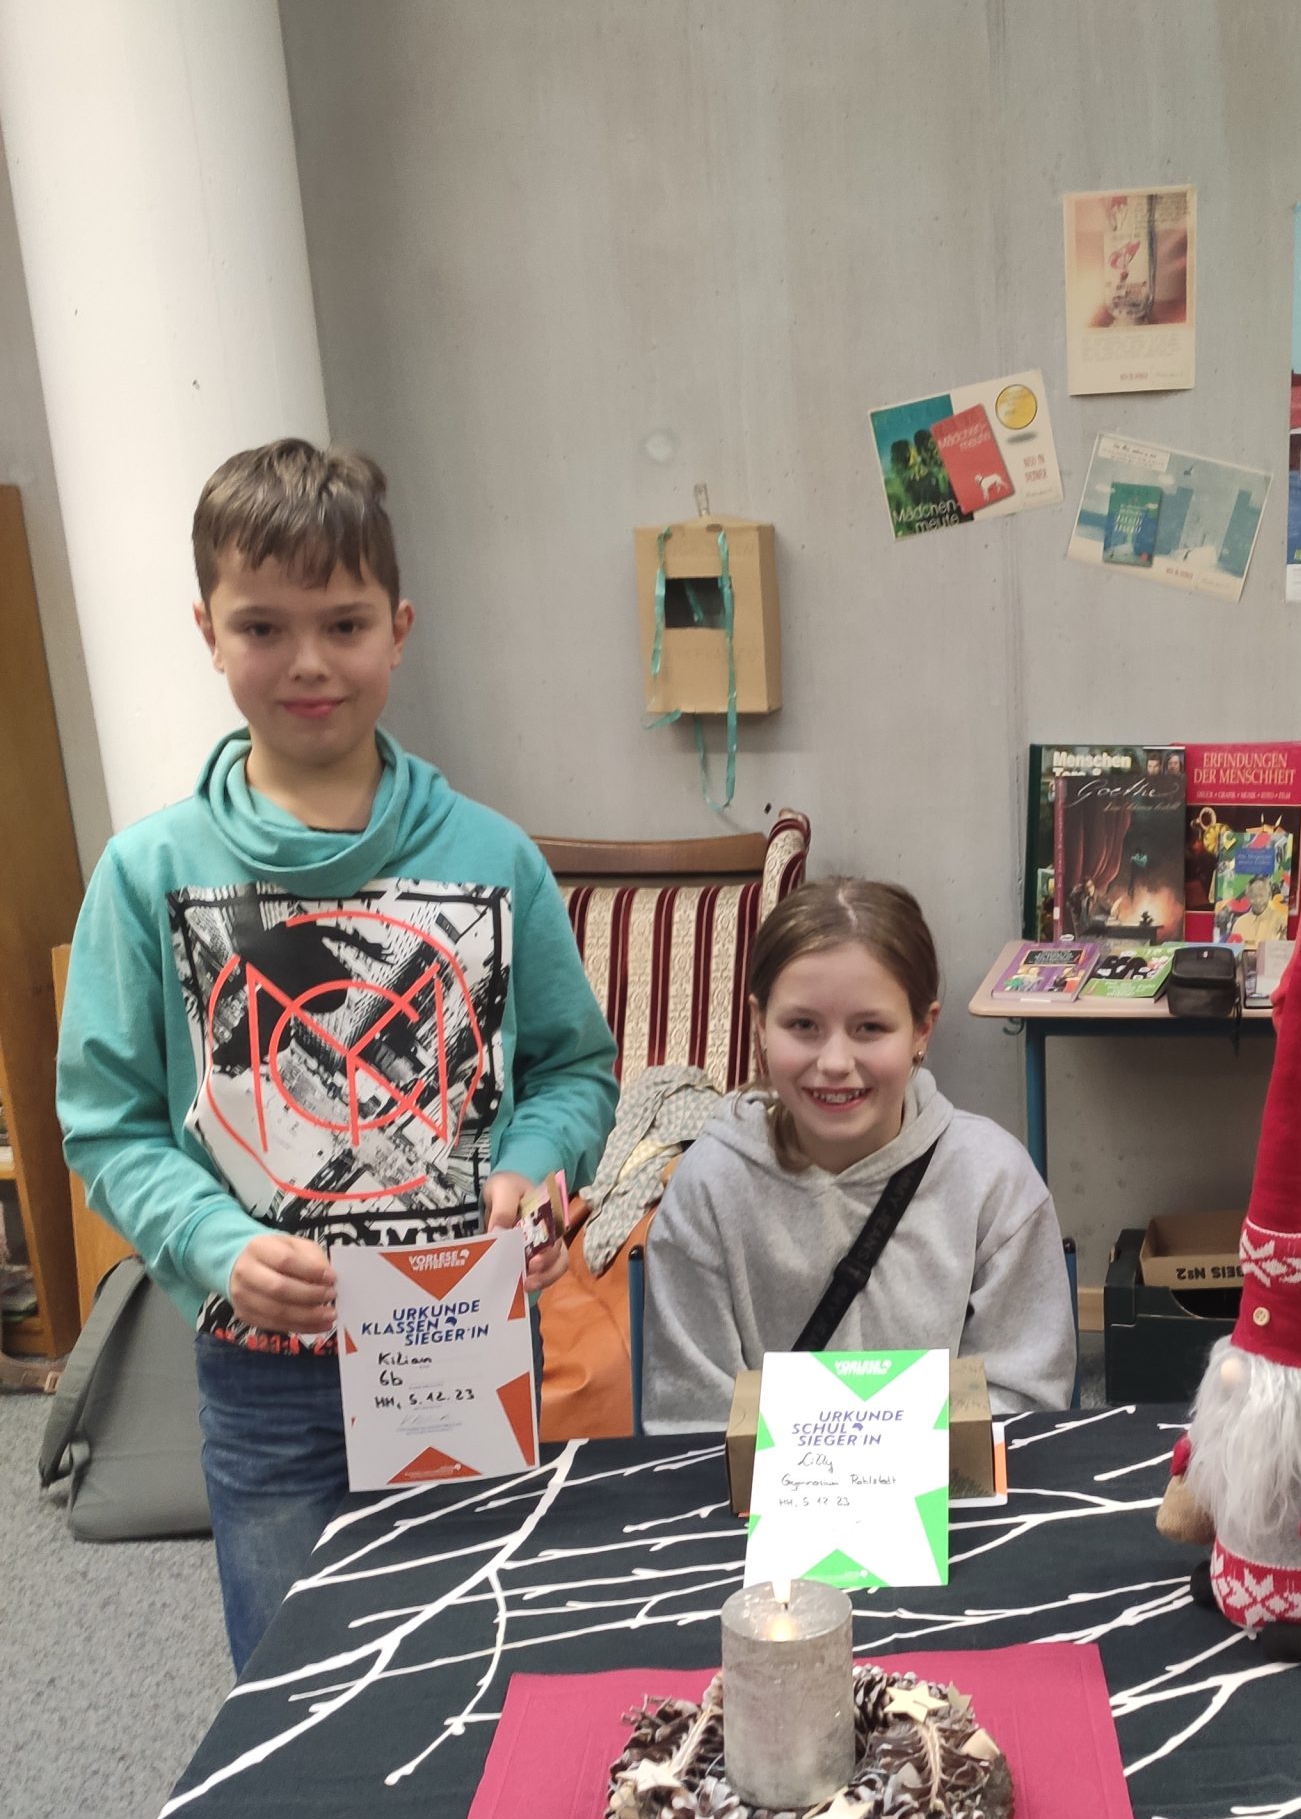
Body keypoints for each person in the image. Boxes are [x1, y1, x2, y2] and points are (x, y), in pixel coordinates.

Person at [57, 441, 617, 1669]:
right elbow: (106, 1121)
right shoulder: (146, 872)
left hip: (462, 1335)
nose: (308, 662)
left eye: (345, 624)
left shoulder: (496, 856)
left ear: (399, 630)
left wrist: (531, 1165)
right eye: (263, 626)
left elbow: (576, 1069)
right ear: (207, 633)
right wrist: (213, 1243)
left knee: (482, 1663)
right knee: (296, 1680)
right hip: (266, 1376)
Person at [643, 878, 1077, 1425]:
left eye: (870, 1028)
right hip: (754, 1486)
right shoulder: (708, 1188)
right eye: (803, 1025)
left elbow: (1021, 1404)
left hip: (950, 1482)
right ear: (760, 1025)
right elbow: (692, 1421)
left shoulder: (995, 1183)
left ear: (922, 1030)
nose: (834, 1062)